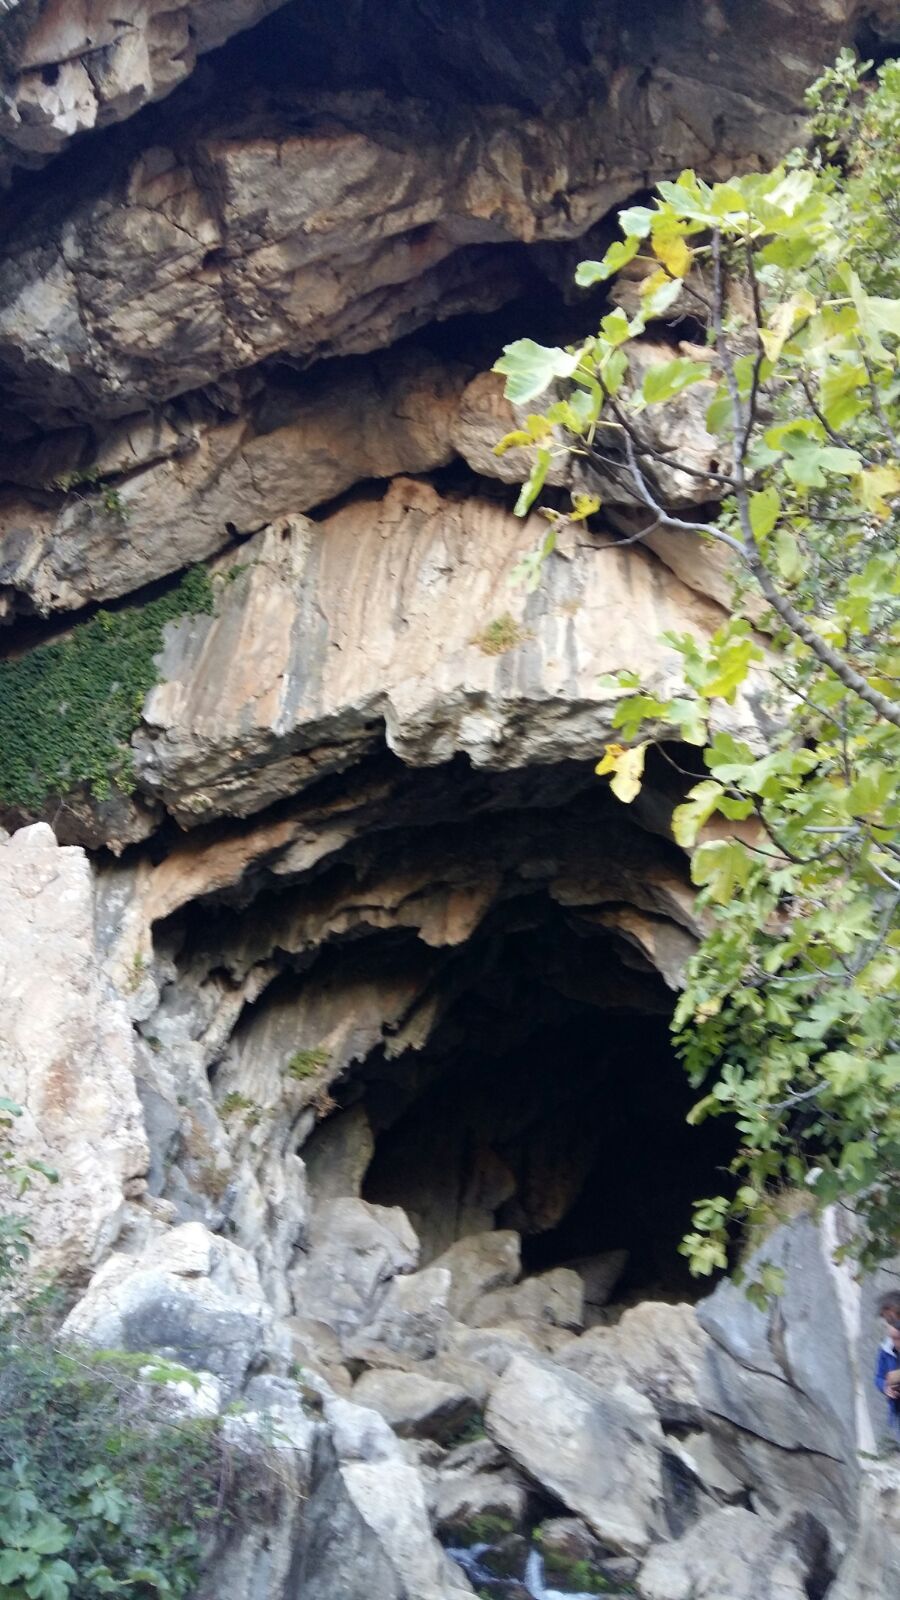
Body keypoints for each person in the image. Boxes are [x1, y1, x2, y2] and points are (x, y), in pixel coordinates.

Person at [875, 1290, 900, 1440]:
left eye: (892, 1321)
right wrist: (885, 1387)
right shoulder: (886, 1349)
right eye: (888, 1322)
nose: (891, 1326)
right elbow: (878, 1376)